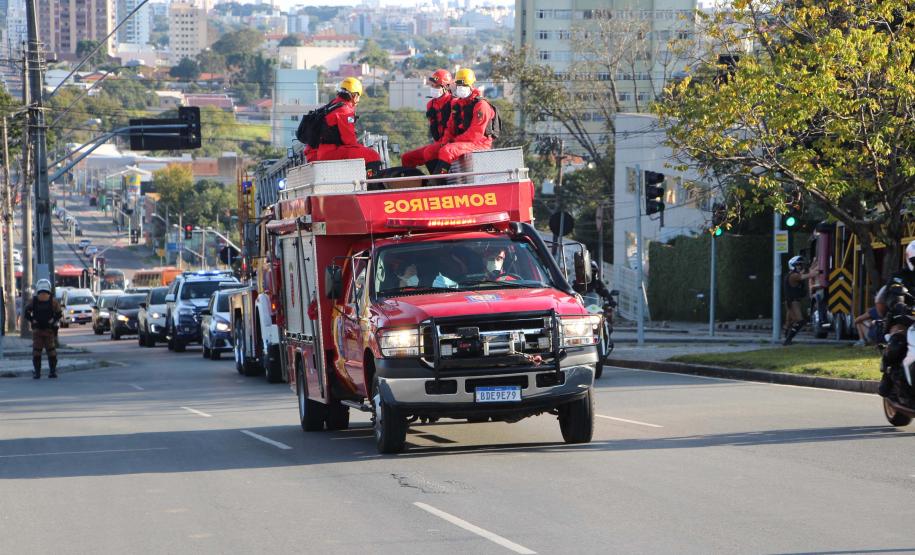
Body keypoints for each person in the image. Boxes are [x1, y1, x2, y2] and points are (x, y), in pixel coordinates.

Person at [429, 68, 498, 175]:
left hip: (479, 143)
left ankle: (438, 181)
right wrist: (445, 141)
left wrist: (454, 141)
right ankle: (433, 178)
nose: (460, 88)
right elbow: (450, 126)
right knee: (435, 150)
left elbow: (475, 134)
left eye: (464, 86)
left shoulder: (481, 105)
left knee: (448, 150)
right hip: (462, 142)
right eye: (458, 85)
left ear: (471, 86)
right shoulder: (457, 104)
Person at [313, 77, 383, 178]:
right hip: (332, 152)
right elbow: (349, 141)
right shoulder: (345, 111)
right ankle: (372, 186)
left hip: (324, 151)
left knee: (363, 152)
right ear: (354, 95)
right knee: (373, 155)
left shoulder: (333, 104)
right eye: (358, 96)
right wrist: (362, 147)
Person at [400, 70, 454, 174]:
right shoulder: (431, 105)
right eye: (432, 86)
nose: (433, 89)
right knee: (406, 158)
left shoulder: (453, 102)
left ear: (445, 87)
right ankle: (418, 186)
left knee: (429, 152)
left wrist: (444, 143)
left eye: (437, 86)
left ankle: (437, 182)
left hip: (450, 142)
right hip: (438, 143)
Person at [23, 279, 63, 379]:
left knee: (37, 351)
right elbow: (59, 313)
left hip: (37, 331)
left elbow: (26, 312)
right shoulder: (52, 301)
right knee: (51, 351)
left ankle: (37, 373)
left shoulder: (34, 300)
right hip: (49, 330)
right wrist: (52, 321)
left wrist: (33, 320)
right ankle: (52, 372)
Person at [783, 255, 819, 345]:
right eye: (798, 265)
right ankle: (788, 340)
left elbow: (806, 272)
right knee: (800, 321)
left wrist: (814, 264)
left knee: (791, 322)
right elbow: (808, 275)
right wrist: (818, 270)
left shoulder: (792, 274)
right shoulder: (793, 275)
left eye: (800, 265)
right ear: (793, 265)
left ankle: (787, 337)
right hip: (793, 301)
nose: (800, 267)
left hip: (792, 301)